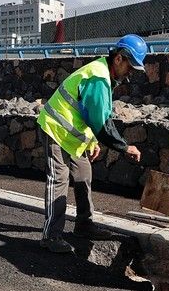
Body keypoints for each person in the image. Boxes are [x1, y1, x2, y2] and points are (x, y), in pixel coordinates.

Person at [35, 34, 147, 254]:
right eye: (130, 66)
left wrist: (92, 141)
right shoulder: (98, 77)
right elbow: (101, 122)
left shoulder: (104, 75)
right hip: (55, 129)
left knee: (83, 175)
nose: (131, 72)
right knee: (58, 180)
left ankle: (84, 225)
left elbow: (89, 113)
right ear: (118, 59)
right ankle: (51, 236)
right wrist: (124, 147)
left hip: (72, 136)